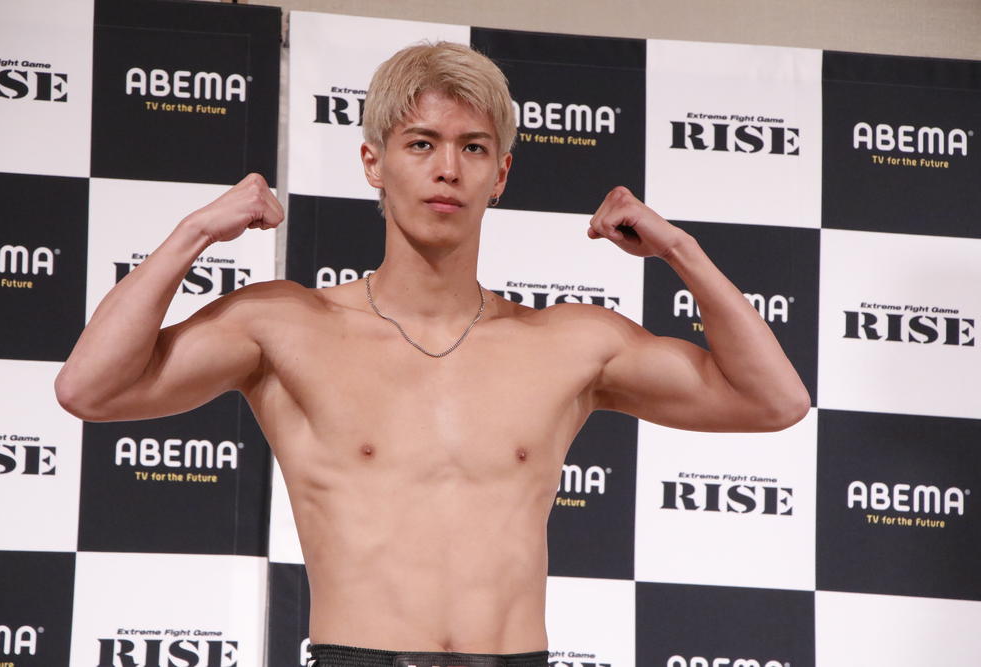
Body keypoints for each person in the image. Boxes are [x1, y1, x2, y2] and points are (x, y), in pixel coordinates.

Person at [56, 42, 809, 667]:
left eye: (473, 147)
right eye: (421, 143)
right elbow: (89, 389)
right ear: (373, 162)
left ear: (500, 174)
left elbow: (775, 400)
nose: (448, 168)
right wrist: (193, 233)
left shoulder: (568, 343)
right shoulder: (286, 325)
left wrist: (680, 250)